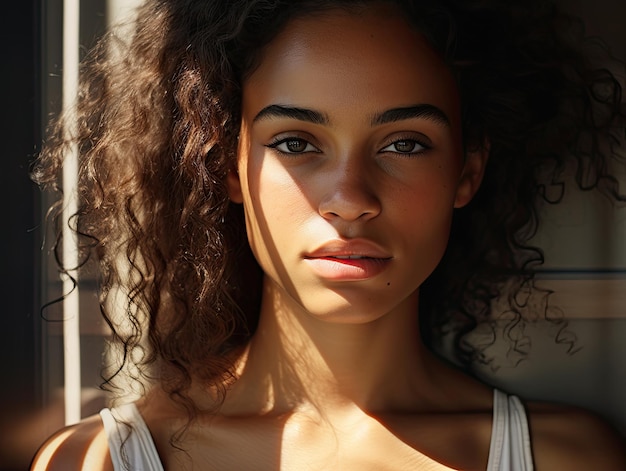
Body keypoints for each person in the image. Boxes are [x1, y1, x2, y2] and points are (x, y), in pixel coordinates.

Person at [30, 0, 626, 469]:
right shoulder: (101, 462)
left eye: (404, 144)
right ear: (226, 165)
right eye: (295, 143)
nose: (350, 200)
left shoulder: (565, 458)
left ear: (466, 171)